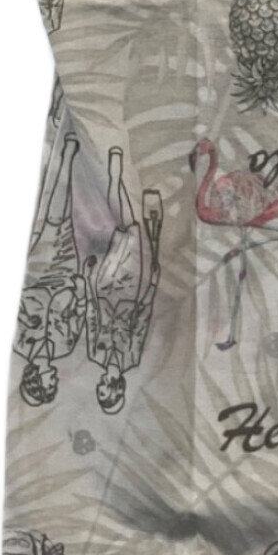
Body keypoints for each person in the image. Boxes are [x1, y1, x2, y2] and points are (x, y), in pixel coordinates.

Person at [81, 145, 162, 414]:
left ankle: (115, 177)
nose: (101, 384)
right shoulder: (132, 358)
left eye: (99, 389)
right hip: (131, 289)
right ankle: (117, 177)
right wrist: (152, 287)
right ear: (117, 389)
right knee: (132, 231)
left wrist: (88, 280)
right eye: (105, 390)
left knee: (122, 230)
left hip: (105, 289)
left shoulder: (95, 354)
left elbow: (91, 316)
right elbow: (142, 320)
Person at [14, 127, 84, 407]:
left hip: (40, 275)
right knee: (67, 223)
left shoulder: (22, 343)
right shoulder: (64, 348)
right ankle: (68, 160)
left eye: (49, 383)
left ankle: (67, 155)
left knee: (54, 220)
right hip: (66, 276)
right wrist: (79, 290)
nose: (54, 379)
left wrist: (27, 312)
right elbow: (79, 317)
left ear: (35, 379)